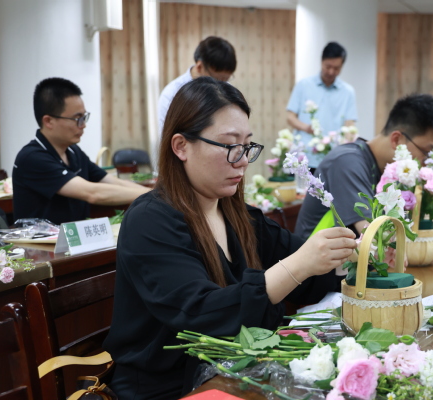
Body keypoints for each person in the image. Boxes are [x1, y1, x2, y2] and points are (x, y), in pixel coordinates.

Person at [103, 77, 356, 399]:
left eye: (247, 146)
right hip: (168, 387)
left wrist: (350, 259)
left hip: (234, 371)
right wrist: (297, 265)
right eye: (230, 146)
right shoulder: (149, 220)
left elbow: (309, 275)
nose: (243, 160)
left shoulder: (240, 216)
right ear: (181, 146)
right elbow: (200, 313)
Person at [295, 93, 433, 239]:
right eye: (426, 151)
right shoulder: (346, 162)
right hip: (319, 265)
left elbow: (396, 218)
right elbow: (374, 232)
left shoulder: (385, 168)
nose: (426, 161)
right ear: (397, 140)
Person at [12, 77, 150, 225]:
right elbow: (93, 193)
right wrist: (152, 196)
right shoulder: (32, 158)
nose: (83, 125)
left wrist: (155, 194)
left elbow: (111, 182)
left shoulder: (73, 151)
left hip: (74, 237)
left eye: (84, 117)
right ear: (48, 121)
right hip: (40, 239)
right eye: (77, 118)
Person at [286, 41, 357, 169]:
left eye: (336, 68)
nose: (331, 71)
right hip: (305, 157)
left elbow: (350, 125)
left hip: (333, 158)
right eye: (327, 66)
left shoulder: (348, 92)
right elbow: (290, 117)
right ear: (321, 61)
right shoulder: (303, 85)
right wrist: (307, 128)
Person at [158, 36, 236, 132]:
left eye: (225, 79)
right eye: (218, 78)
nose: (221, 84)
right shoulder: (173, 93)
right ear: (199, 67)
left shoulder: (226, 88)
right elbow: (166, 133)